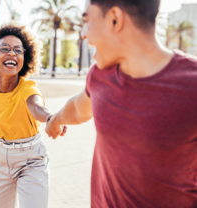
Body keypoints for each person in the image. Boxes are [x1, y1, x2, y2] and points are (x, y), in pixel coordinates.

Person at [45, 0, 197, 207]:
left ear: (115, 19)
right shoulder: (100, 76)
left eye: (87, 20)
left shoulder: (192, 86)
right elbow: (78, 110)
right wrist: (55, 120)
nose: (83, 34)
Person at [0, 22, 66, 208]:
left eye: (18, 50)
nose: (12, 53)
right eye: (4, 48)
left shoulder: (27, 87)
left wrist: (50, 118)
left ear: (24, 58)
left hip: (31, 159)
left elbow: (36, 107)